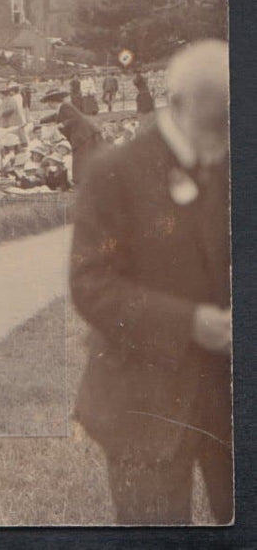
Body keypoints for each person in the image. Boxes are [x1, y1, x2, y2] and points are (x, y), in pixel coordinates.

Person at [70, 39, 231, 524]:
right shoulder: (113, 173)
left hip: (231, 392)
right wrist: (188, 323)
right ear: (177, 103)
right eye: (213, 125)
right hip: (143, 399)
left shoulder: (233, 160)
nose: (222, 141)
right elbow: (91, 286)